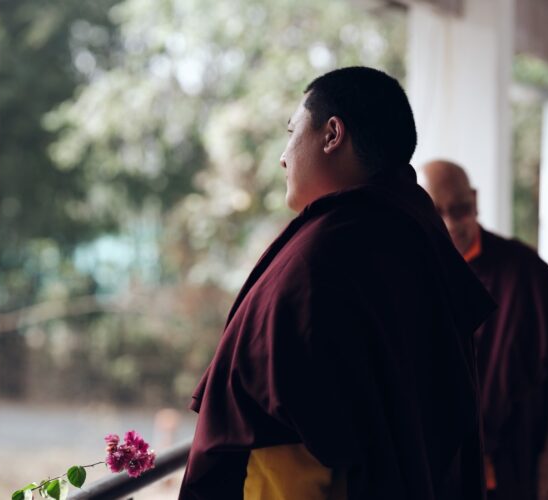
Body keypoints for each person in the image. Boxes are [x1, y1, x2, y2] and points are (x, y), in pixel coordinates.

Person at [178, 67, 495, 500]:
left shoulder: (326, 255)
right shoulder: (412, 231)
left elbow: (283, 406)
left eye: (293, 132)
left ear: (332, 134)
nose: (283, 156)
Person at [422, 160, 548, 500]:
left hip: (518, 462)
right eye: (437, 212)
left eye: (461, 209)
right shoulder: (416, 275)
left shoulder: (524, 272)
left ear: (474, 200)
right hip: (447, 470)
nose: (451, 223)